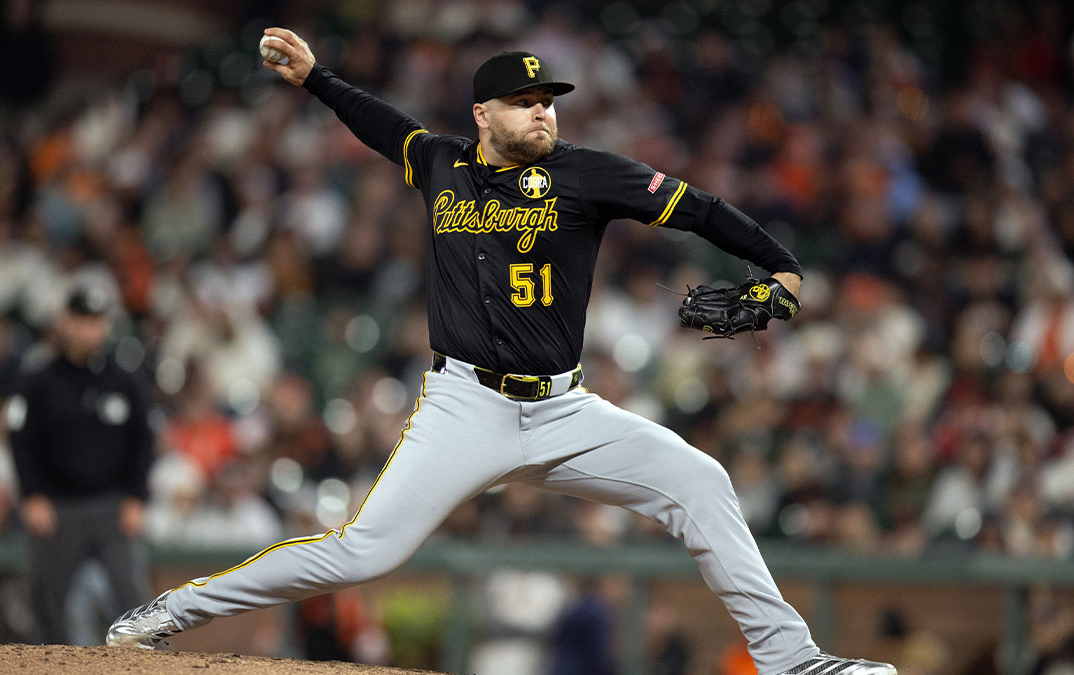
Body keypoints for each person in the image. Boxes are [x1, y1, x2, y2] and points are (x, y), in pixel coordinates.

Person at [108, 27, 896, 675]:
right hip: (465, 404)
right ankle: (172, 608)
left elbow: (700, 208)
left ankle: (793, 661)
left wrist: (779, 263)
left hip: (565, 407)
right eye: (524, 103)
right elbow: (382, 125)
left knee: (701, 479)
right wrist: (318, 78)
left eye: (547, 100)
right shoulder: (442, 162)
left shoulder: (587, 175)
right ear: (483, 114)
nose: (542, 113)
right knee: (362, 551)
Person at [11, 283, 155, 644]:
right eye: (83, 320)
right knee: (47, 601)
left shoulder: (123, 379)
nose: (92, 329)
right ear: (66, 323)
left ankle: (144, 667)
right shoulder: (40, 380)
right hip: (58, 506)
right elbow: (21, 442)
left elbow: (144, 439)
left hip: (112, 504)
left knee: (132, 597)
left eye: (97, 321)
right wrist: (32, 495)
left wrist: (136, 495)